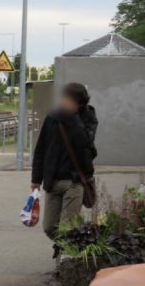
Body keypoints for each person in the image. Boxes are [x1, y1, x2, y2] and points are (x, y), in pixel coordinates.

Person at [31, 82, 98, 242]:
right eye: (64, 98)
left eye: (70, 99)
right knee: (49, 227)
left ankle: (64, 261)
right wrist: (35, 179)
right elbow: (41, 149)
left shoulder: (88, 118)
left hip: (75, 182)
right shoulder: (53, 118)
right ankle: (78, 241)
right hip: (53, 181)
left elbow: (85, 143)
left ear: (80, 103)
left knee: (67, 228)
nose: (64, 102)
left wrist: (73, 117)